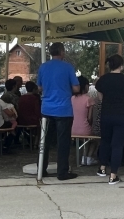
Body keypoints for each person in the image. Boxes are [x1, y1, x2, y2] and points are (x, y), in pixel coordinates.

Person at [38, 42, 81, 180]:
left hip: (46, 108)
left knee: (45, 141)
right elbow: (76, 89)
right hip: (63, 109)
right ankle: (62, 172)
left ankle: (41, 170)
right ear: (62, 52)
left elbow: (39, 88)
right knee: (63, 142)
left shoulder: (43, 67)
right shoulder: (68, 67)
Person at [95, 54, 124, 184]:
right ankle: (113, 175)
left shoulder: (102, 80)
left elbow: (100, 97)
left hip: (106, 114)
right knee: (117, 144)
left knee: (105, 141)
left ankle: (102, 168)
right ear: (121, 66)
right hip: (122, 115)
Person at [71, 75, 97, 165]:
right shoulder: (89, 99)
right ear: (86, 86)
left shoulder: (72, 99)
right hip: (84, 128)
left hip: (73, 129)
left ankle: (83, 157)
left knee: (85, 140)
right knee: (95, 138)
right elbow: (89, 118)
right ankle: (88, 157)